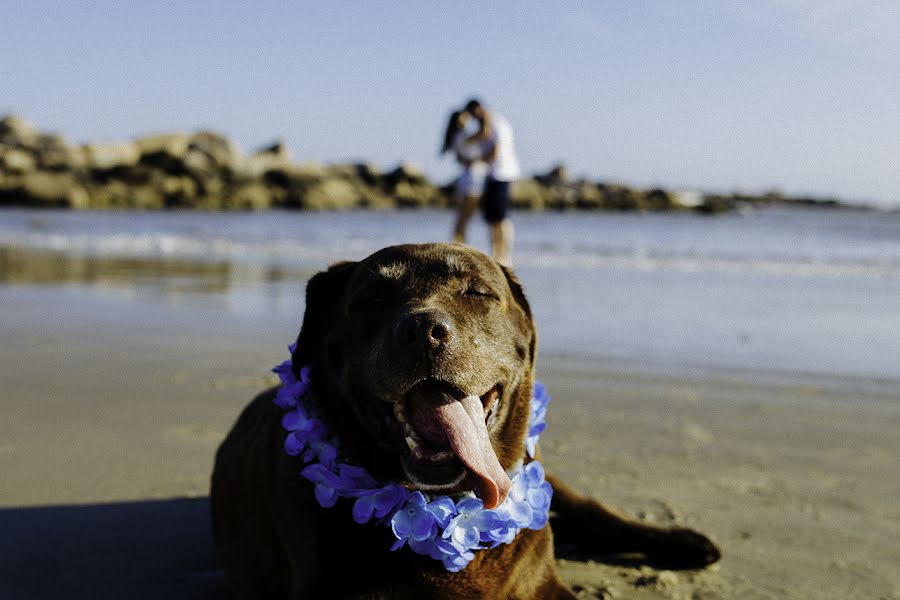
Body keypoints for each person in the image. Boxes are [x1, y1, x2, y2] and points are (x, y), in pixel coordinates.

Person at [461, 98, 520, 267]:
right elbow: (482, 139)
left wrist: (474, 161)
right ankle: (496, 253)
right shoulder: (490, 124)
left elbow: (495, 151)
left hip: (502, 173)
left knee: (500, 217)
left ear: (478, 109)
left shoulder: (497, 123)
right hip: (492, 175)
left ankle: (504, 256)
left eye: (473, 115)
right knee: (492, 216)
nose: (473, 119)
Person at [441, 110, 489, 244]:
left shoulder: (457, 136)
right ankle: (459, 243)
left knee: (463, 215)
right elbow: (484, 134)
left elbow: (461, 158)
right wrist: (486, 118)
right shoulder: (462, 135)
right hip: (471, 179)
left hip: (468, 177)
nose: (468, 118)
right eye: (465, 116)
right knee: (465, 215)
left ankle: (459, 242)